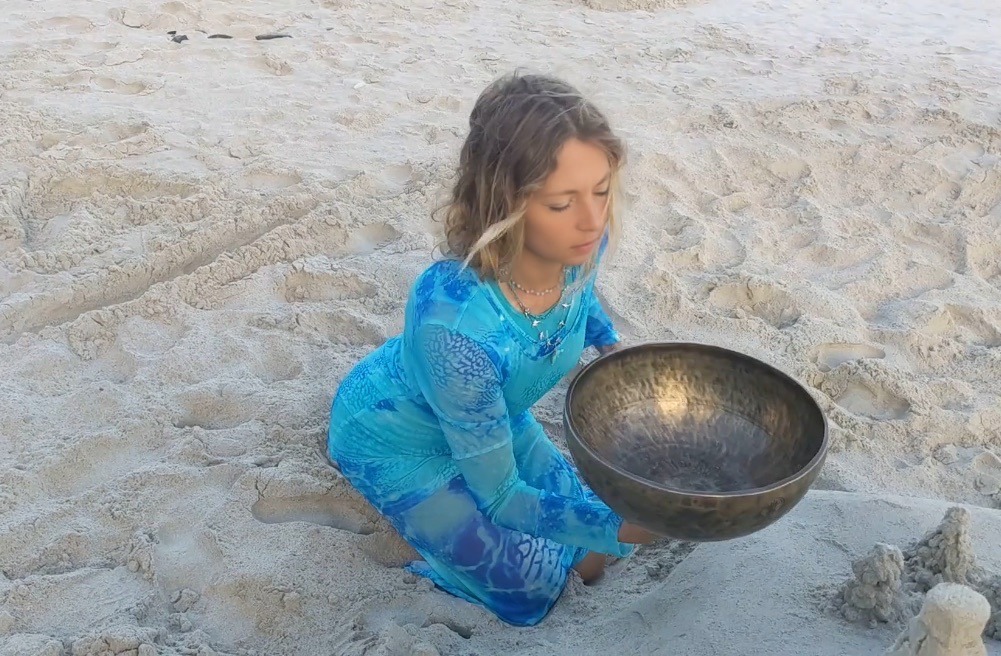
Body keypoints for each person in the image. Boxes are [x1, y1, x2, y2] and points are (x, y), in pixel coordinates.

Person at [327, 70, 656, 628]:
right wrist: (621, 530)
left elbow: (583, 293)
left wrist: (609, 344)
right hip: (398, 440)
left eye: (601, 191)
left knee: (593, 552)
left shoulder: (579, 242)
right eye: (561, 203)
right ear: (507, 203)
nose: (593, 220)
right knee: (535, 591)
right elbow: (504, 497)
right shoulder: (454, 329)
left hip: (490, 419)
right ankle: (431, 550)